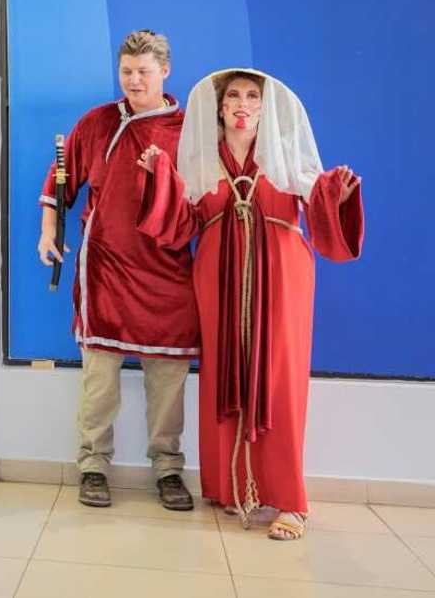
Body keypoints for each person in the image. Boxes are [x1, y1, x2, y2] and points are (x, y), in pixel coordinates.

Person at [137, 69, 363, 540]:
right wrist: (159, 177)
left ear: (265, 106)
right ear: (219, 107)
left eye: (252, 96)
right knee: (225, 375)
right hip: (217, 276)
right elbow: (180, 224)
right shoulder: (202, 161)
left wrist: (335, 194)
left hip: (281, 275)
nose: (242, 103)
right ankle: (236, 486)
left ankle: (290, 503)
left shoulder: (285, 158)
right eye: (234, 95)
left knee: (278, 380)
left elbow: (319, 206)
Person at [37, 30, 199, 510]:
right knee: (100, 376)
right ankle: (92, 465)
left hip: (168, 271)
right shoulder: (99, 121)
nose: (133, 80)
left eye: (143, 72)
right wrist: (49, 230)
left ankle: (168, 468)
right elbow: (59, 180)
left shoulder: (189, 130)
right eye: (126, 71)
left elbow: (203, 202)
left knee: (168, 379)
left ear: (165, 71)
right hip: (106, 266)